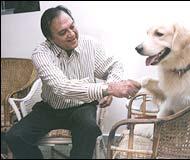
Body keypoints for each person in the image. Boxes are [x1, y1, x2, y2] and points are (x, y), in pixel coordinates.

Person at [5, 5, 141, 159]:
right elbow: (61, 87)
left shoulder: (90, 45)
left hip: (82, 107)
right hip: (50, 109)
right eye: (63, 32)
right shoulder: (41, 53)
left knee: (89, 129)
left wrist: (111, 84)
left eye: (72, 26)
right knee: (15, 136)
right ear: (50, 38)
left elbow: (114, 65)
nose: (71, 34)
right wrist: (108, 88)